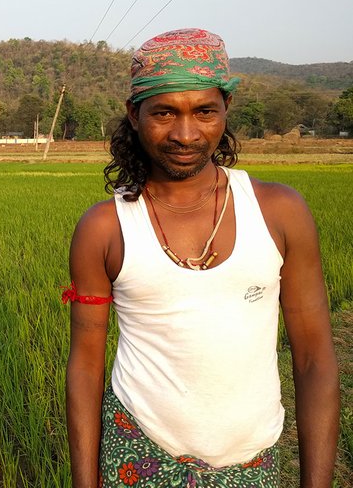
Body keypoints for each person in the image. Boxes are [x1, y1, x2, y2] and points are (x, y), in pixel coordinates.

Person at [65, 28, 339, 487]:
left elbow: (314, 359)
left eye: (205, 111)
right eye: (165, 113)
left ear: (225, 110)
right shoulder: (104, 229)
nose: (186, 134)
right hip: (139, 450)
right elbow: (86, 367)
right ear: (134, 114)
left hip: (252, 461)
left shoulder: (279, 212)